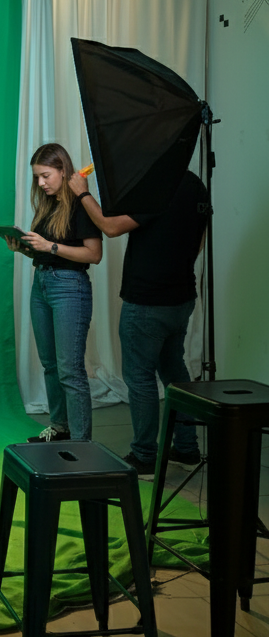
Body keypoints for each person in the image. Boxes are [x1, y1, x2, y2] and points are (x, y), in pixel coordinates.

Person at [68, 168, 208, 476]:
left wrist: (82, 192)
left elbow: (111, 227)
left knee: (140, 377)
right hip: (182, 297)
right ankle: (186, 448)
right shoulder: (196, 184)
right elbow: (198, 240)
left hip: (147, 301)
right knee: (174, 371)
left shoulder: (158, 182)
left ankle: (144, 456)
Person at [5, 143, 102, 443]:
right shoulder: (48, 205)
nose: (41, 183)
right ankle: (60, 428)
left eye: (45, 175)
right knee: (50, 365)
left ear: (63, 170)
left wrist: (51, 246)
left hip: (69, 288)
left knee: (70, 370)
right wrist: (23, 247)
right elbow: (47, 252)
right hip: (42, 285)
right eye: (36, 177)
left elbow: (93, 254)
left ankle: (81, 442)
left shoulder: (81, 204)